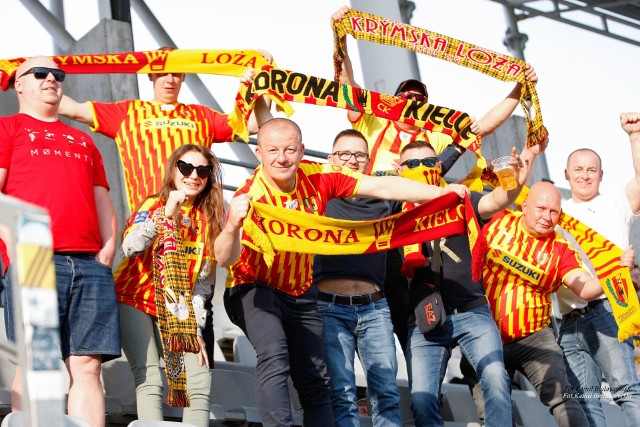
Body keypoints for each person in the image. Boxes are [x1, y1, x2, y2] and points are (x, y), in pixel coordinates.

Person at [214, 116, 469, 427]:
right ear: (259, 154)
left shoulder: (319, 179)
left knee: (318, 382)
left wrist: (440, 193)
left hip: (299, 292)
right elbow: (225, 258)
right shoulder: (250, 195)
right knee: (275, 352)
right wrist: (231, 226)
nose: (282, 158)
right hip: (254, 287)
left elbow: (383, 185)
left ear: (302, 151)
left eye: (290, 150)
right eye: (273, 151)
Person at [331, 4, 538, 351]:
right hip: (380, 225)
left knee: (422, 313)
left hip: (424, 231)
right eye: (404, 96)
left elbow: (482, 125)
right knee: (387, 307)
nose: (411, 101)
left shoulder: (437, 136)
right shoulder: (373, 123)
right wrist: (340, 39)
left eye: (419, 98)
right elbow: (346, 87)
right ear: (392, 101)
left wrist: (519, 88)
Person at [0, 56, 120, 427]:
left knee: (87, 365)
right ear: (19, 84)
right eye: (40, 73)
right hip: (33, 257)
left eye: (57, 74)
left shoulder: (83, 139)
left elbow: (102, 197)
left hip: (89, 263)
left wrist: (109, 247)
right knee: (37, 361)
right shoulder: (8, 128)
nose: (51, 78)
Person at [400, 139, 544, 427]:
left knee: (495, 379)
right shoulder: (394, 210)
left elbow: (500, 199)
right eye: (412, 164)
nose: (421, 169)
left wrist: (517, 175)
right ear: (398, 169)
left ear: (438, 167)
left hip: (472, 311)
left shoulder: (462, 199)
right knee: (421, 399)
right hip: (424, 318)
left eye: (428, 162)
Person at [479, 181, 635, 427]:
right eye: (541, 209)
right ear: (525, 205)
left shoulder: (561, 248)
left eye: (554, 212)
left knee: (564, 399)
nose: (547, 217)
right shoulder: (499, 220)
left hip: (534, 338)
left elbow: (585, 288)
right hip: (485, 334)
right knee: (492, 412)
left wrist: (616, 272)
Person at [58, 48, 271, 212]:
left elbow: (253, 124)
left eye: (176, 73)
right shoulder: (128, 112)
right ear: (150, 74)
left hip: (195, 221)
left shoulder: (202, 115)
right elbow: (73, 109)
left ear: (184, 76)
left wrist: (264, 76)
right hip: (148, 218)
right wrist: (38, 74)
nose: (170, 79)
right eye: (163, 72)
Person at [113, 144, 222, 427]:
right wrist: (164, 215)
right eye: (186, 168)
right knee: (150, 377)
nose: (193, 176)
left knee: (199, 380)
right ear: (174, 170)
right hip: (134, 297)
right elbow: (130, 246)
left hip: (177, 306)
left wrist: (195, 328)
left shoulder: (209, 221)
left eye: (203, 170)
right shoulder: (153, 204)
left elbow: (202, 285)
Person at [554, 112, 640, 426]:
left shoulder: (616, 204)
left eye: (592, 170)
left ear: (601, 175)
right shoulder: (556, 213)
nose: (585, 175)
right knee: (585, 401)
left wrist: (634, 137)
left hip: (609, 308)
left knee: (627, 390)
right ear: (566, 174)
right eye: (578, 169)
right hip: (566, 319)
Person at [312, 129, 402, 426]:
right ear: (330, 160)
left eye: (359, 155)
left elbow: (431, 177)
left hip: (375, 309)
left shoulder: (384, 196)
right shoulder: (318, 193)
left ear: (369, 161)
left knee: (386, 393)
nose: (352, 160)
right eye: (344, 154)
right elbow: (277, 154)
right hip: (329, 307)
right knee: (342, 393)